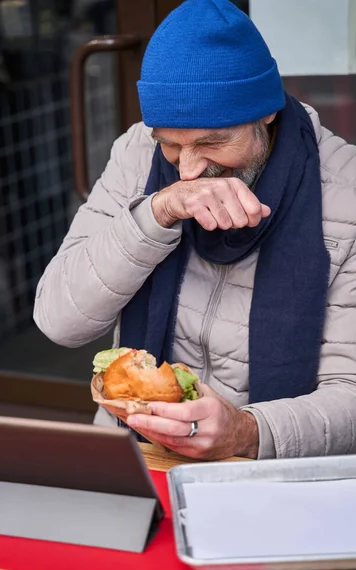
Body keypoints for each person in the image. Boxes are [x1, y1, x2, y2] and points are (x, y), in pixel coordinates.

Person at [34, 0, 356, 460]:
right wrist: (155, 215)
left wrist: (246, 431)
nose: (188, 169)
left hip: (264, 465)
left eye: (211, 143)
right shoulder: (135, 154)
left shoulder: (346, 193)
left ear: (266, 113)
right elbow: (58, 320)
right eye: (170, 144)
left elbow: (350, 394)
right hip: (134, 450)